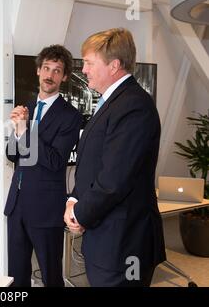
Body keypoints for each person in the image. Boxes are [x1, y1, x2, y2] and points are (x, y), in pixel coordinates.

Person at [64, 28, 166, 287]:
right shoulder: (113, 103)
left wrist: (80, 214)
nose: (83, 69)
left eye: (88, 63)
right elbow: (93, 163)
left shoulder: (133, 106)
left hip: (124, 244)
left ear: (114, 65)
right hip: (108, 240)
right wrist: (74, 199)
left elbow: (114, 180)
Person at [5, 44, 82, 287]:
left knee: (51, 276)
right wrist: (17, 133)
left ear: (65, 76)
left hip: (46, 209)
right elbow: (12, 155)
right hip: (17, 206)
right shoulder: (26, 106)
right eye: (46, 68)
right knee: (17, 275)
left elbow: (55, 161)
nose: (49, 75)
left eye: (57, 71)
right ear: (38, 70)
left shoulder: (70, 116)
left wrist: (25, 130)